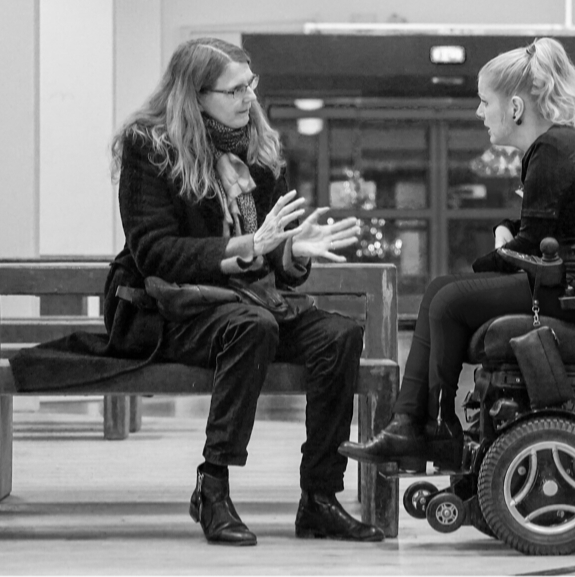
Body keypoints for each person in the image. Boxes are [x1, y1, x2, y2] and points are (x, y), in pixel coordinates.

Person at [106, 37, 383, 546]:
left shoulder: (259, 150)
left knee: (339, 335)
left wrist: (293, 253)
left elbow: (272, 257)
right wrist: (246, 244)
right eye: (234, 90)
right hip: (169, 308)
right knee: (253, 327)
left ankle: (319, 497)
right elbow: (154, 253)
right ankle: (213, 487)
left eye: (250, 86)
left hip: (248, 301)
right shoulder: (150, 147)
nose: (248, 99)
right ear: (195, 95)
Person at [339, 38, 575, 471]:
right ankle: (412, 426)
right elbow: (542, 234)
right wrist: (508, 241)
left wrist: (500, 248)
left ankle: (430, 429)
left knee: (448, 297)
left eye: (486, 102)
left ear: (516, 108)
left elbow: (526, 252)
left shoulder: (550, 150)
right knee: (444, 293)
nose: (480, 113)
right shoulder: (564, 145)